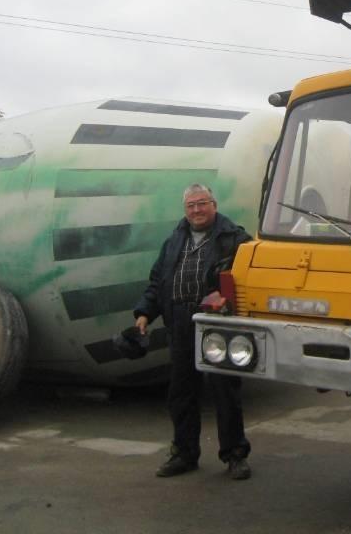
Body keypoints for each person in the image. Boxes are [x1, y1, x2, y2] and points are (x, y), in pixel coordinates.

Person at [133, 183, 252, 480]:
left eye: (202, 204)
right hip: (180, 322)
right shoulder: (174, 240)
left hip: (217, 324)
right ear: (185, 210)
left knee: (225, 390)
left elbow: (250, 278)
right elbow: (158, 280)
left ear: (214, 204)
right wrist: (145, 312)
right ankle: (184, 454)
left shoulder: (234, 238)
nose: (197, 210)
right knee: (181, 392)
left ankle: (235, 456)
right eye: (191, 206)